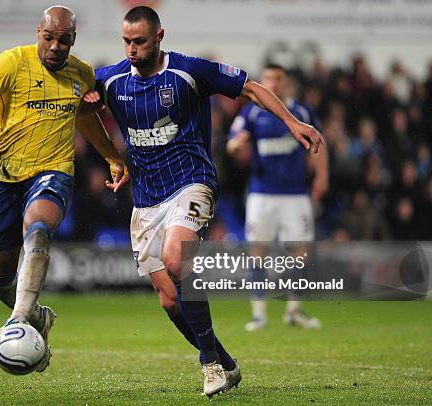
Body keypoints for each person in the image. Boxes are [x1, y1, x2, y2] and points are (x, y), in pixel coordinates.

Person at [83, 6, 323, 397]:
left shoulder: (190, 71)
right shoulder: (110, 81)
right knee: (168, 301)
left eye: (139, 41)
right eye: (126, 41)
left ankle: (208, 365)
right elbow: (82, 112)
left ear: (159, 37)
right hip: (145, 199)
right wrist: (111, 156)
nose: (131, 49)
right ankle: (226, 362)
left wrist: (294, 123)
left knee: (179, 258)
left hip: (192, 182)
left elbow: (251, 88)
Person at [0, 6, 128, 373]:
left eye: (64, 40)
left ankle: (16, 320)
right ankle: (36, 316)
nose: (55, 47)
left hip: (53, 171)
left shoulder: (82, 74)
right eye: (49, 38)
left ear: (73, 41)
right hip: (2, 176)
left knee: (39, 227)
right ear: (38, 33)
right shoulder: (13, 61)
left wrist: (112, 156)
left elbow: (86, 118)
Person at [227, 64, 329, 331]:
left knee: (300, 251)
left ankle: (294, 310)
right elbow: (232, 143)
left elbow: (319, 143)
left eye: (278, 79)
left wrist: (322, 176)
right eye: (268, 78)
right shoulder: (251, 112)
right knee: (257, 250)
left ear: (286, 83)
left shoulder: (302, 112)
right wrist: (237, 145)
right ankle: (259, 313)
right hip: (262, 193)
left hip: (295, 193)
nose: (273, 83)